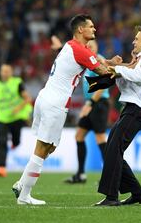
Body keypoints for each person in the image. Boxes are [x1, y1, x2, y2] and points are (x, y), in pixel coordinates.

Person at [11, 14, 114, 205]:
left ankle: (22, 183)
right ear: (81, 29)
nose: (95, 29)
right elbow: (102, 71)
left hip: (47, 97)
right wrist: (123, 68)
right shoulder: (80, 50)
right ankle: (24, 195)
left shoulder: (71, 47)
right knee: (43, 148)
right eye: (91, 26)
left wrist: (111, 63)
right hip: (55, 102)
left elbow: (97, 63)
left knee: (50, 146)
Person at [93, 26, 141, 206]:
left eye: (137, 39)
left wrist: (118, 69)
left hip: (138, 110)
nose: (134, 41)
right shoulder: (139, 60)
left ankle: (111, 197)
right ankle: (138, 194)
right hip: (131, 109)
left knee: (114, 147)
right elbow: (128, 78)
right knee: (112, 148)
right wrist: (114, 67)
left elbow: (138, 76)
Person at [50, 36, 110, 184]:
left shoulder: (99, 60)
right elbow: (73, 57)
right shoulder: (87, 60)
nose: (89, 47)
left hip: (99, 103)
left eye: (91, 45)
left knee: (100, 138)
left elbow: (104, 84)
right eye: (87, 46)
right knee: (79, 135)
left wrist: (89, 103)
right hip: (90, 104)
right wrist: (59, 49)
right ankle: (81, 174)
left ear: (96, 47)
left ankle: (109, 176)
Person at [0, 64, 33, 177]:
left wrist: (18, 108)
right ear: (0, 72)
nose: (5, 73)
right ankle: (1, 167)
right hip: (2, 117)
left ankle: (15, 143)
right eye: (3, 71)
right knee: (2, 141)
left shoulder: (17, 82)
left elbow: (28, 98)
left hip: (17, 117)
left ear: (11, 73)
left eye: (7, 71)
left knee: (16, 140)